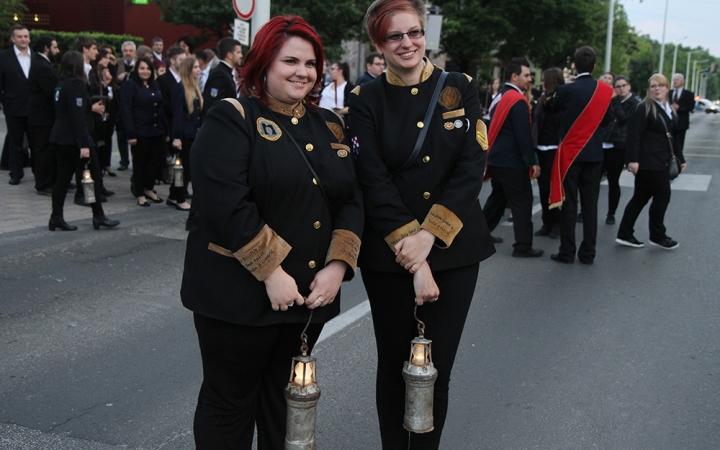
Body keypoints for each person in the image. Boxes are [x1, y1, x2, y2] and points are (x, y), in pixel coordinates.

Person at [181, 14, 363, 449]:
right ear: (263, 63)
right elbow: (225, 204)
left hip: (309, 296)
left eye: (311, 63)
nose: (303, 72)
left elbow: (351, 199)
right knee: (230, 402)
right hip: (237, 295)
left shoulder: (328, 125)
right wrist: (272, 272)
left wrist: (339, 265)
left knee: (284, 403)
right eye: (291, 61)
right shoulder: (232, 117)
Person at [348, 0, 495, 447]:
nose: (407, 43)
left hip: (454, 252)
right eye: (394, 36)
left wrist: (430, 236)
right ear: (379, 43)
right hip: (391, 256)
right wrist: (415, 256)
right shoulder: (365, 98)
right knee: (394, 368)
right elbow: (372, 179)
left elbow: (471, 167)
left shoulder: (460, 87)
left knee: (437, 370)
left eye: (413, 32)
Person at [544, 45, 612, 265]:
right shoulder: (604, 91)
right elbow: (608, 119)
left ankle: (567, 251)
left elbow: (549, 108)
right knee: (590, 205)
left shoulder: (566, 90)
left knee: (569, 204)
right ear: (593, 66)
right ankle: (588, 253)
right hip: (594, 154)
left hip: (571, 154)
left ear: (574, 65)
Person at [48, 51, 120, 231]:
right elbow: (77, 117)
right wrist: (84, 144)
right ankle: (98, 216)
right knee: (94, 175)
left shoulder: (61, 84)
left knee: (62, 179)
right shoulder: (76, 85)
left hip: (60, 137)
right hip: (74, 140)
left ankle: (56, 216)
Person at [482, 57, 543, 257]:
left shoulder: (502, 95)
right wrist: (532, 161)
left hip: (498, 158)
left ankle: (479, 236)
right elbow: (523, 135)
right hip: (511, 161)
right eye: (526, 75)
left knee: (497, 200)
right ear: (515, 76)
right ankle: (523, 246)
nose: (530, 79)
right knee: (523, 201)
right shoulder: (517, 100)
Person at [615, 74, 685, 250]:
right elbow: (633, 136)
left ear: (667, 88)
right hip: (648, 161)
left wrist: (680, 158)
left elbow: (673, 137)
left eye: (660, 85)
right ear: (649, 89)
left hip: (662, 160)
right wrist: (632, 160)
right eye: (653, 86)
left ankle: (625, 233)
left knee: (640, 197)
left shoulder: (668, 108)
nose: (656, 89)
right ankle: (657, 235)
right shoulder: (644, 108)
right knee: (662, 196)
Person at [120, 57, 169, 207]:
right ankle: (140, 192)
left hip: (156, 130)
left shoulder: (154, 85)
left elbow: (160, 109)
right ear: (136, 70)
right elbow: (126, 110)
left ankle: (149, 188)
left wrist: (166, 130)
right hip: (140, 131)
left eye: (148, 68)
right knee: (140, 163)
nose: (145, 71)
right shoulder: (130, 85)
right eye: (142, 68)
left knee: (156, 161)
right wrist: (131, 134)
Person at [0, 24, 34, 185]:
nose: (23, 39)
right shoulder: (4, 57)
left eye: (26, 36)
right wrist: (5, 103)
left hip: (34, 108)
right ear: (13, 39)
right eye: (19, 37)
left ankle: (40, 172)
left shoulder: (36, 56)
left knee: (36, 142)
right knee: (15, 142)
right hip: (13, 107)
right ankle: (15, 173)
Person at [532, 67, 564, 239]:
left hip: (555, 149)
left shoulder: (560, 100)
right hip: (541, 148)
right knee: (543, 189)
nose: (541, 82)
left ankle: (556, 222)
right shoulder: (541, 99)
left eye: (544, 79)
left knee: (550, 187)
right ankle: (547, 222)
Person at [604, 75, 639, 225]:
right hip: (605, 143)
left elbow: (624, 119)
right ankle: (583, 211)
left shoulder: (635, 103)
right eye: (617, 86)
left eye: (623, 85)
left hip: (620, 146)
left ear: (629, 86)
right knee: (593, 180)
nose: (621, 89)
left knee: (613, 180)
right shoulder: (611, 101)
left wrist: (614, 102)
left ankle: (611, 213)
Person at [28, 35, 60, 196]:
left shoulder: (43, 64)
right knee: (44, 150)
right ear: (47, 48)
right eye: (55, 47)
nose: (57, 51)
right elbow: (51, 91)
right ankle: (43, 183)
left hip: (45, 116)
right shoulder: (42, 66)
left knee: (49, 149)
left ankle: (53, 180)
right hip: (43, 117)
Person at [168, 56, 201, 211]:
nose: (198, 70)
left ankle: (174, 195)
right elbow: (177, 115)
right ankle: (179, 197)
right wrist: (176, 137)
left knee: (186, 168)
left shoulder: (194, 88)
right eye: (195, 67)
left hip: (192, 134)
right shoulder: (180, 88)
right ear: (188, 70)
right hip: (184, 136)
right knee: (184, 169)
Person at [202, 37, 242, 115]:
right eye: (238, 52)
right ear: (229, 55)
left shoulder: (227, 73)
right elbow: (213, 104)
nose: (241, 55)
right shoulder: (220, 74)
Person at [669, 73, 694, 152]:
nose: (675, 82)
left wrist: (680, 108)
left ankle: (679, 160)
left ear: (682, 81)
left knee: (679, 143)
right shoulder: (668, 93)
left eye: (677, 80)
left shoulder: (688, 94)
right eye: (674, 80)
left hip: (681, 123)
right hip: (669, 122)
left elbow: (690, 107)